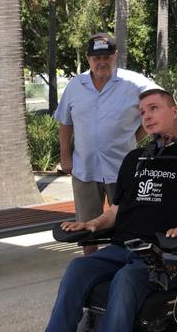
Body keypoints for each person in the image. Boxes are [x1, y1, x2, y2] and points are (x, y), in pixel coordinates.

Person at [46, 86, 177, 332]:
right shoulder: (134, 160)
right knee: (78, 268)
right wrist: (92, 224)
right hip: (123, 248)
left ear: (175, 112)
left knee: (126, 279)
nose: (147, 117)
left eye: (154, 108)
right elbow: (115, 211)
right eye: (142, 112)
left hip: (167, 257)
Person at [55, 32, 153, 255]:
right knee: (86, 229)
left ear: (115, 56)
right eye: (96, 58)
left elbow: (160, 106)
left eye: (106, 57)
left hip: (122, 170)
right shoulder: (75, 86)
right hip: (85, 170)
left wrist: (133, 138)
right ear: (88, 59)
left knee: (127, 226)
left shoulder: (134, 83)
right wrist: (65, 157)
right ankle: (92, 268)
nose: (101, 62)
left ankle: (124, 268)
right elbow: (64, 123)